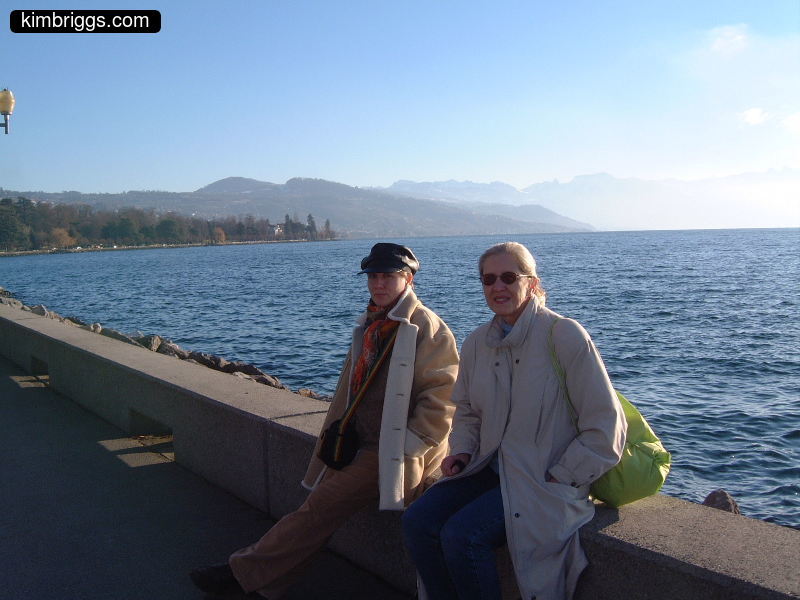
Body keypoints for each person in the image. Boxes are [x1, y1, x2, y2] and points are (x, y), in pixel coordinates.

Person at [191, 242, 459, 599]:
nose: (378, 284)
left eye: (388, 277)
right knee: (317, 512)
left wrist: (408, 447)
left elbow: (444, 396)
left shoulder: (426, 326)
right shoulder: (374, 320)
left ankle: (241, 573)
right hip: (356, 440)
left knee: (318, 509)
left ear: (407, 279)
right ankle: (269, 583)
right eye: (373, 276)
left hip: (387, 449)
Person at [402, 242, 627, 600]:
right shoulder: (479, 342)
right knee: (417, 521)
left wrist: (563, 474)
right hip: (488, 469)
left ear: (532, 283)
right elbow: (467, 410)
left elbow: (607, 427)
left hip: (542, 481)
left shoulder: (564, 335)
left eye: (509, 277)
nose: (498, 287)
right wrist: (461, 451)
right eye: (488, 279)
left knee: (463, 536)